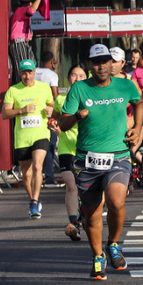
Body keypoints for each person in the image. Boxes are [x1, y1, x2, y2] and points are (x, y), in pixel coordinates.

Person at [59, 45, 143, 281]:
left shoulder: (125, 85)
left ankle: (114, 244)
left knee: (116, 201)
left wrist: (138, 127)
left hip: (118, 156)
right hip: (87, 160)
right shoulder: (80, 88)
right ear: (89, 65)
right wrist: (76, 116)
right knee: (92, 214)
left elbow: (139, 102)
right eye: (96, 62)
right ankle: (98, 257)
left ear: (113, 63)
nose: (102, 66)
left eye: (106, 61)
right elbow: (63, 123)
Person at [2, 59, 55, 219]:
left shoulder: (44, 87)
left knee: (38, 166)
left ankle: (34, 201)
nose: (27, 76)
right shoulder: (13, 90)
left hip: (41, 134)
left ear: (34, 72)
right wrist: (22, 110)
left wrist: (50, 110)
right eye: (24, 73)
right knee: (26, 174)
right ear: (20, 73)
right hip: (22, 138)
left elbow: (52, 105)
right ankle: (33, 198)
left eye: (30, 72)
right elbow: (5, 114)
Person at [50, 66, 86, 241]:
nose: (77, 78)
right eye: (74, 75)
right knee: (71, 184)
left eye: (81, 75)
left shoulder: (90, 99)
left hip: (87, 148)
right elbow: (56, 117)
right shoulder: (61, 99)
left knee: (89, 188)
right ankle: (73, 223)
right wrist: (53, 124)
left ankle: (84, 212)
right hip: (66, 147)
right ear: (68, 77)